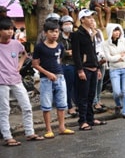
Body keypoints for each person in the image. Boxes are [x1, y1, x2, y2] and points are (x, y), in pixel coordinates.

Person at [0, 17, 44, 145]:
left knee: (27, 107)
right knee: (4, 110)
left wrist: (19, 65)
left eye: (11, 29)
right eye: (5, 29)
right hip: (2, 82)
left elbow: (25, 54)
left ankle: (30, 133)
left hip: (16, 80)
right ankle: (8, 137)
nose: (9, 32)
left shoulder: (16, 44)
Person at [32, 20, 74, 138]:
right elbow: (35, 64)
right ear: (45, 33)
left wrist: (57, 72)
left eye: (56, 31)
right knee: (46, 105)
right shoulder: (40, 47)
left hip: (60, 77)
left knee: (62, 104)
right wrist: (48, 73)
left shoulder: (60, 45)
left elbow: (59, 60)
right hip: (46, 79)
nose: (54, 34)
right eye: (51, 32)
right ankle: (49, 129)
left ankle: (62, 127)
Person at [72, 9, 106, 130]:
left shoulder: (93, 33)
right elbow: (76, 54)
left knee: (91, 95)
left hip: (93, 67)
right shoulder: (77, 34)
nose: (92, 20)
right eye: (89, 17)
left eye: (92, 17)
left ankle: (90, 118)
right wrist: (80, 70)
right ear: (82, 20)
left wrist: (97, 68)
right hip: (84, 68)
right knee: (83, 96)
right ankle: (83, 120)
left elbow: (93, 53)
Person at [103, 24, 125, 118]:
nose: (117, 32)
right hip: (114, 69)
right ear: (110, 32)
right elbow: (109, 58)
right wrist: (120, 56)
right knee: (116, 91)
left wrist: (119, 57)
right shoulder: (106, 44)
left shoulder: (123, 40)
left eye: (118, 30)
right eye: (115, 30)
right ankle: (118, 104)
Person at [58, 15, 77, 118]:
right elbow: (57, 50)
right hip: (65, 64)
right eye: (66, 24)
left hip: (76, 63)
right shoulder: (59, 37)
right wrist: (66, 53)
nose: (68, 26)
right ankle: (70, 107)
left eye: (70, 24)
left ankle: (77, 105)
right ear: (61, 26)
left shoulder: (74, 36)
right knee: (68, 87)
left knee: (77, 86)